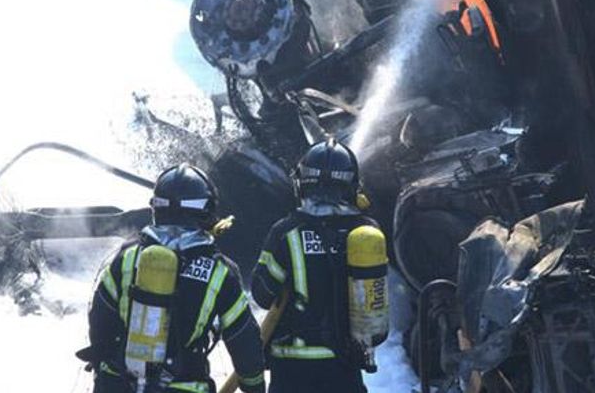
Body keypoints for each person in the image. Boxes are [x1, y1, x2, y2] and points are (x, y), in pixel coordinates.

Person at [80, 163, 265, 393]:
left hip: (117, 385)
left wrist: (104, 370)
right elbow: (244, 341)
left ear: (156, 208)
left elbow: (100, 319)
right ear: (206, 211)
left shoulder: (126, 257)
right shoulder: (219, 272)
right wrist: (254, 386)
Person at [251, 138, 383, 393]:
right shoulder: (366, 232)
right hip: (344, 365)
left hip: (291, 368)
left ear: (302, 184)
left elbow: (262, 295)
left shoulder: (285, 232)